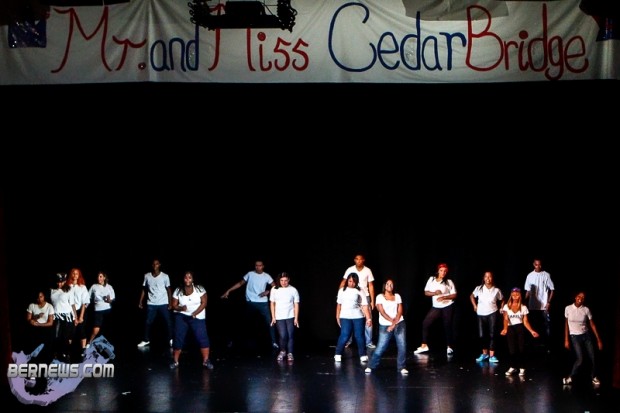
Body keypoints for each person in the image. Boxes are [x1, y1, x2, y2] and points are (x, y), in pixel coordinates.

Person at [221, 260, 278, 351]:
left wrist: (268, 291)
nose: (258, 267)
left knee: (270, 322)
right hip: (250, 302)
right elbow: (240, 283)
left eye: (260, 265)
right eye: (256, 265)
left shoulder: (266, 276)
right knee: (242, 321)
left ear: (263, 266)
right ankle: (233, 341)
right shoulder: (250, 274)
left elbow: (275, 286)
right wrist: (228, 291)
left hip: (262, 303)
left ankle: (274, 342)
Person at [169, 271, 214, 369]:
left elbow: (204, 302)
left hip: (197, 316)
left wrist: (195, 313)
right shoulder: (178, 290)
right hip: (182, 316)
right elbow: (174, 305)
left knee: (202, 337)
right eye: (186, 277)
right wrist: (181, 308)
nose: (187, 279)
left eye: (190, 277)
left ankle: (206, 361)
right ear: (183, 279)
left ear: (193, 279)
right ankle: (175, 361)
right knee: (178, 337)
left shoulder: (199, 289)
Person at [365, 278, 408, 375]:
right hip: (385, 324)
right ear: (384, 286)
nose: (389, 286)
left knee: (402, 345)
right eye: (388, 284)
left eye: (391, 284)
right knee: (381, 347)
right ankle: (371, 365)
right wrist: (391, 322)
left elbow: (400, 311)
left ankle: (402, 367)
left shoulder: (397, 296)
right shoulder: (380, 297)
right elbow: (382, 311)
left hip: (399, 323)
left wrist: (394, 324)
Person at [414, 263, 457, 356]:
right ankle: (424, 345)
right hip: (436, 306)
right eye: (441, 270)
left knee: (447, 325)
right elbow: (426, 292)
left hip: (447, 305)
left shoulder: (449, 281)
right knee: (425, 323)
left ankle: (449, 346)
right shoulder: (432, 279)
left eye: (445, 271)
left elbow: (454, 295)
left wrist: (444, 297)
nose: (443, 273)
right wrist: (435, 293)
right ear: (438, 271)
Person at [562, 291, 603, 386]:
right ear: (575, 297)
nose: (580, 298)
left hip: (586, 335)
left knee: (593, 357)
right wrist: (566, 339)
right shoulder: (568, 308)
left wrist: (598, 339)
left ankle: (594, 377)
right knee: (580, 359)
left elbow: (592, 324)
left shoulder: (586, 309)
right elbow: (566, 324)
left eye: (583, 297)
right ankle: (569, 377)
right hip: (574, 336)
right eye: (579, 296)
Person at [500, 287, 539, 377]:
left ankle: (522, 367)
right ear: (511, 295)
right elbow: (505, 319)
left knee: (521, 349)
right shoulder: (506, 306)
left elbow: (525, 321)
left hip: (520, 328)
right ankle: (513, 366)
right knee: (512, 350)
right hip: (510, 328)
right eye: (513, 294)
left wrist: (531, 331)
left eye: (517, 294)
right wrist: (505, 329)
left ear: (520, 295)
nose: (515, 296)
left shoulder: (523, 307)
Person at [334, 272, 372, 363]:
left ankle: (363, 355)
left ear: (357, 282)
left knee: (359, 336)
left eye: (354, 282)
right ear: (347, 281)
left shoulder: (360, 290)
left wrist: (368, 318)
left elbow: (365, 306)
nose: (351, 283)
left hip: (358, 316)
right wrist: (337, 317)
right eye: (350, 281)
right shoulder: (342, 290)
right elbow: (339, 305)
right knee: (344, 335)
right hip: (345, 316)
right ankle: (338, 354)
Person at [340, 254, 376, 349]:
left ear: (363, 260)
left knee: (368, 318)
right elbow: (343, 282)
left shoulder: (367, 270)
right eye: (357, 259)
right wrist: (341, 294)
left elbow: (371, 286)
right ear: (354, 260)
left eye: (360, 259)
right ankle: (348, 340)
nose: (358, 261)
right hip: (351, 296)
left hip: (365, 296)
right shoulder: (350, 269)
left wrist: (372, 301)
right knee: (350, 317)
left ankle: (368, 342)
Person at [137, 258, 173, 348]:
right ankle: (146, 340)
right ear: (152, 265)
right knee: (148, 322)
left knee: (167, 321)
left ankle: (171, 339)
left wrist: (170, 303)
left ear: (159, 265)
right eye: (153, 264)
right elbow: (144, 289)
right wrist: (140, 301)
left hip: (163, 302)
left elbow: (169, 290)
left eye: (156, 264)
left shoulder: (165, 276)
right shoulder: (147, 276)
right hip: (151, 303)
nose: (155, 266)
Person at [470, 271, 504, 363]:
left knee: (492, 334)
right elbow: (472, 296)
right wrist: (475, 306)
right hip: (481, 314)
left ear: (492, 278)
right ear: (483, 278)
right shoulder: (479, 288)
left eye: (490, 276)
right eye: (486, 276)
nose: (488, 278)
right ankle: (485, 354)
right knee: (482, 335)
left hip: (492, 313)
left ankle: (492, 355)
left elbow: (502, 299)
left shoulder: (496, 290)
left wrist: (501, 307)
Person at [523, 259, 555, 352]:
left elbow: (552, 289)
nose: (538, 266)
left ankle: (547, 345)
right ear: (534, 265)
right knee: (533, 325)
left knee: (546, 326)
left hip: (544, 305)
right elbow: (528, 290)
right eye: (536, 264)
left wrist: (549, 302)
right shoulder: (530, 275)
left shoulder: (546, 275)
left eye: (540, 264)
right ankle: (534, 345)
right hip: (532, 305)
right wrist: (524, 302)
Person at [270, 272, 300, 362]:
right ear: (279, 280)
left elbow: (296, 304)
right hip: (279, 316)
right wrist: (273, 317)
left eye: (285, 280)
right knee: (283, 335)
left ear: (288, 280)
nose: (284, 282)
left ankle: (290, 353)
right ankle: (283, 351)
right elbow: (272, 303)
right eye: (282, 280)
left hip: (290, 315)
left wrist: (296, 318)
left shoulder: (293, 290)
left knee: (290, 335)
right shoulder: (274, 289)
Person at [50, 272, 77, 362]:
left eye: (61, 282)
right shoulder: (52, 290)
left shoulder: (69, 290)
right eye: (58, 282)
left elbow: (72, 304)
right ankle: (56, 354)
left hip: (67, 315)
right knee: (56, 336)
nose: (59, 284)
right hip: (56, 315)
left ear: (65, 281)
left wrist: (76, 317)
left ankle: (66, 354)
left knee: (66, 337)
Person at [25, 290, 55, 364]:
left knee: (46, 347)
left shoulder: (49, 306)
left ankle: (46, 362)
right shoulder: (32, 305)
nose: (39, 299)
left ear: (44, 297)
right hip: (34, 329)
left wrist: (39, 324)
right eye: (38, 297)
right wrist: (33, 320)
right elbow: (28, 319)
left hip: (45, 328)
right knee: (34, 348)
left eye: (41, 297)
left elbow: (50, 323)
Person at [87, 271, 115, 346]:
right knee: (96, 328)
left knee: (108, 328)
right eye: (98, 276)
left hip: (108, 309)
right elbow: (88, 298)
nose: (99, 278)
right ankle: (89, 342)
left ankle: (106, 344)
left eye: (101, 276)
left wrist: (109, 300)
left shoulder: (109, 287)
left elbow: (112, 299)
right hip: (98, 310)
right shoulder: (94, 286)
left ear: (104, 278)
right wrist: (85, 306)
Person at [68, 268, 90, 357]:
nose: (75, 275)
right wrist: (74, 317)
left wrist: (80, 316)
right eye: (73, 273)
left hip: (81, 311)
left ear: (79, 275)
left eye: (77, 273)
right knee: (70, 331)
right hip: (69, 311)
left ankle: (83, 351)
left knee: (81, 330)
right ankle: (68, 351)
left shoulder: (82, 287)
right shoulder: (67, 286)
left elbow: (85, 302)